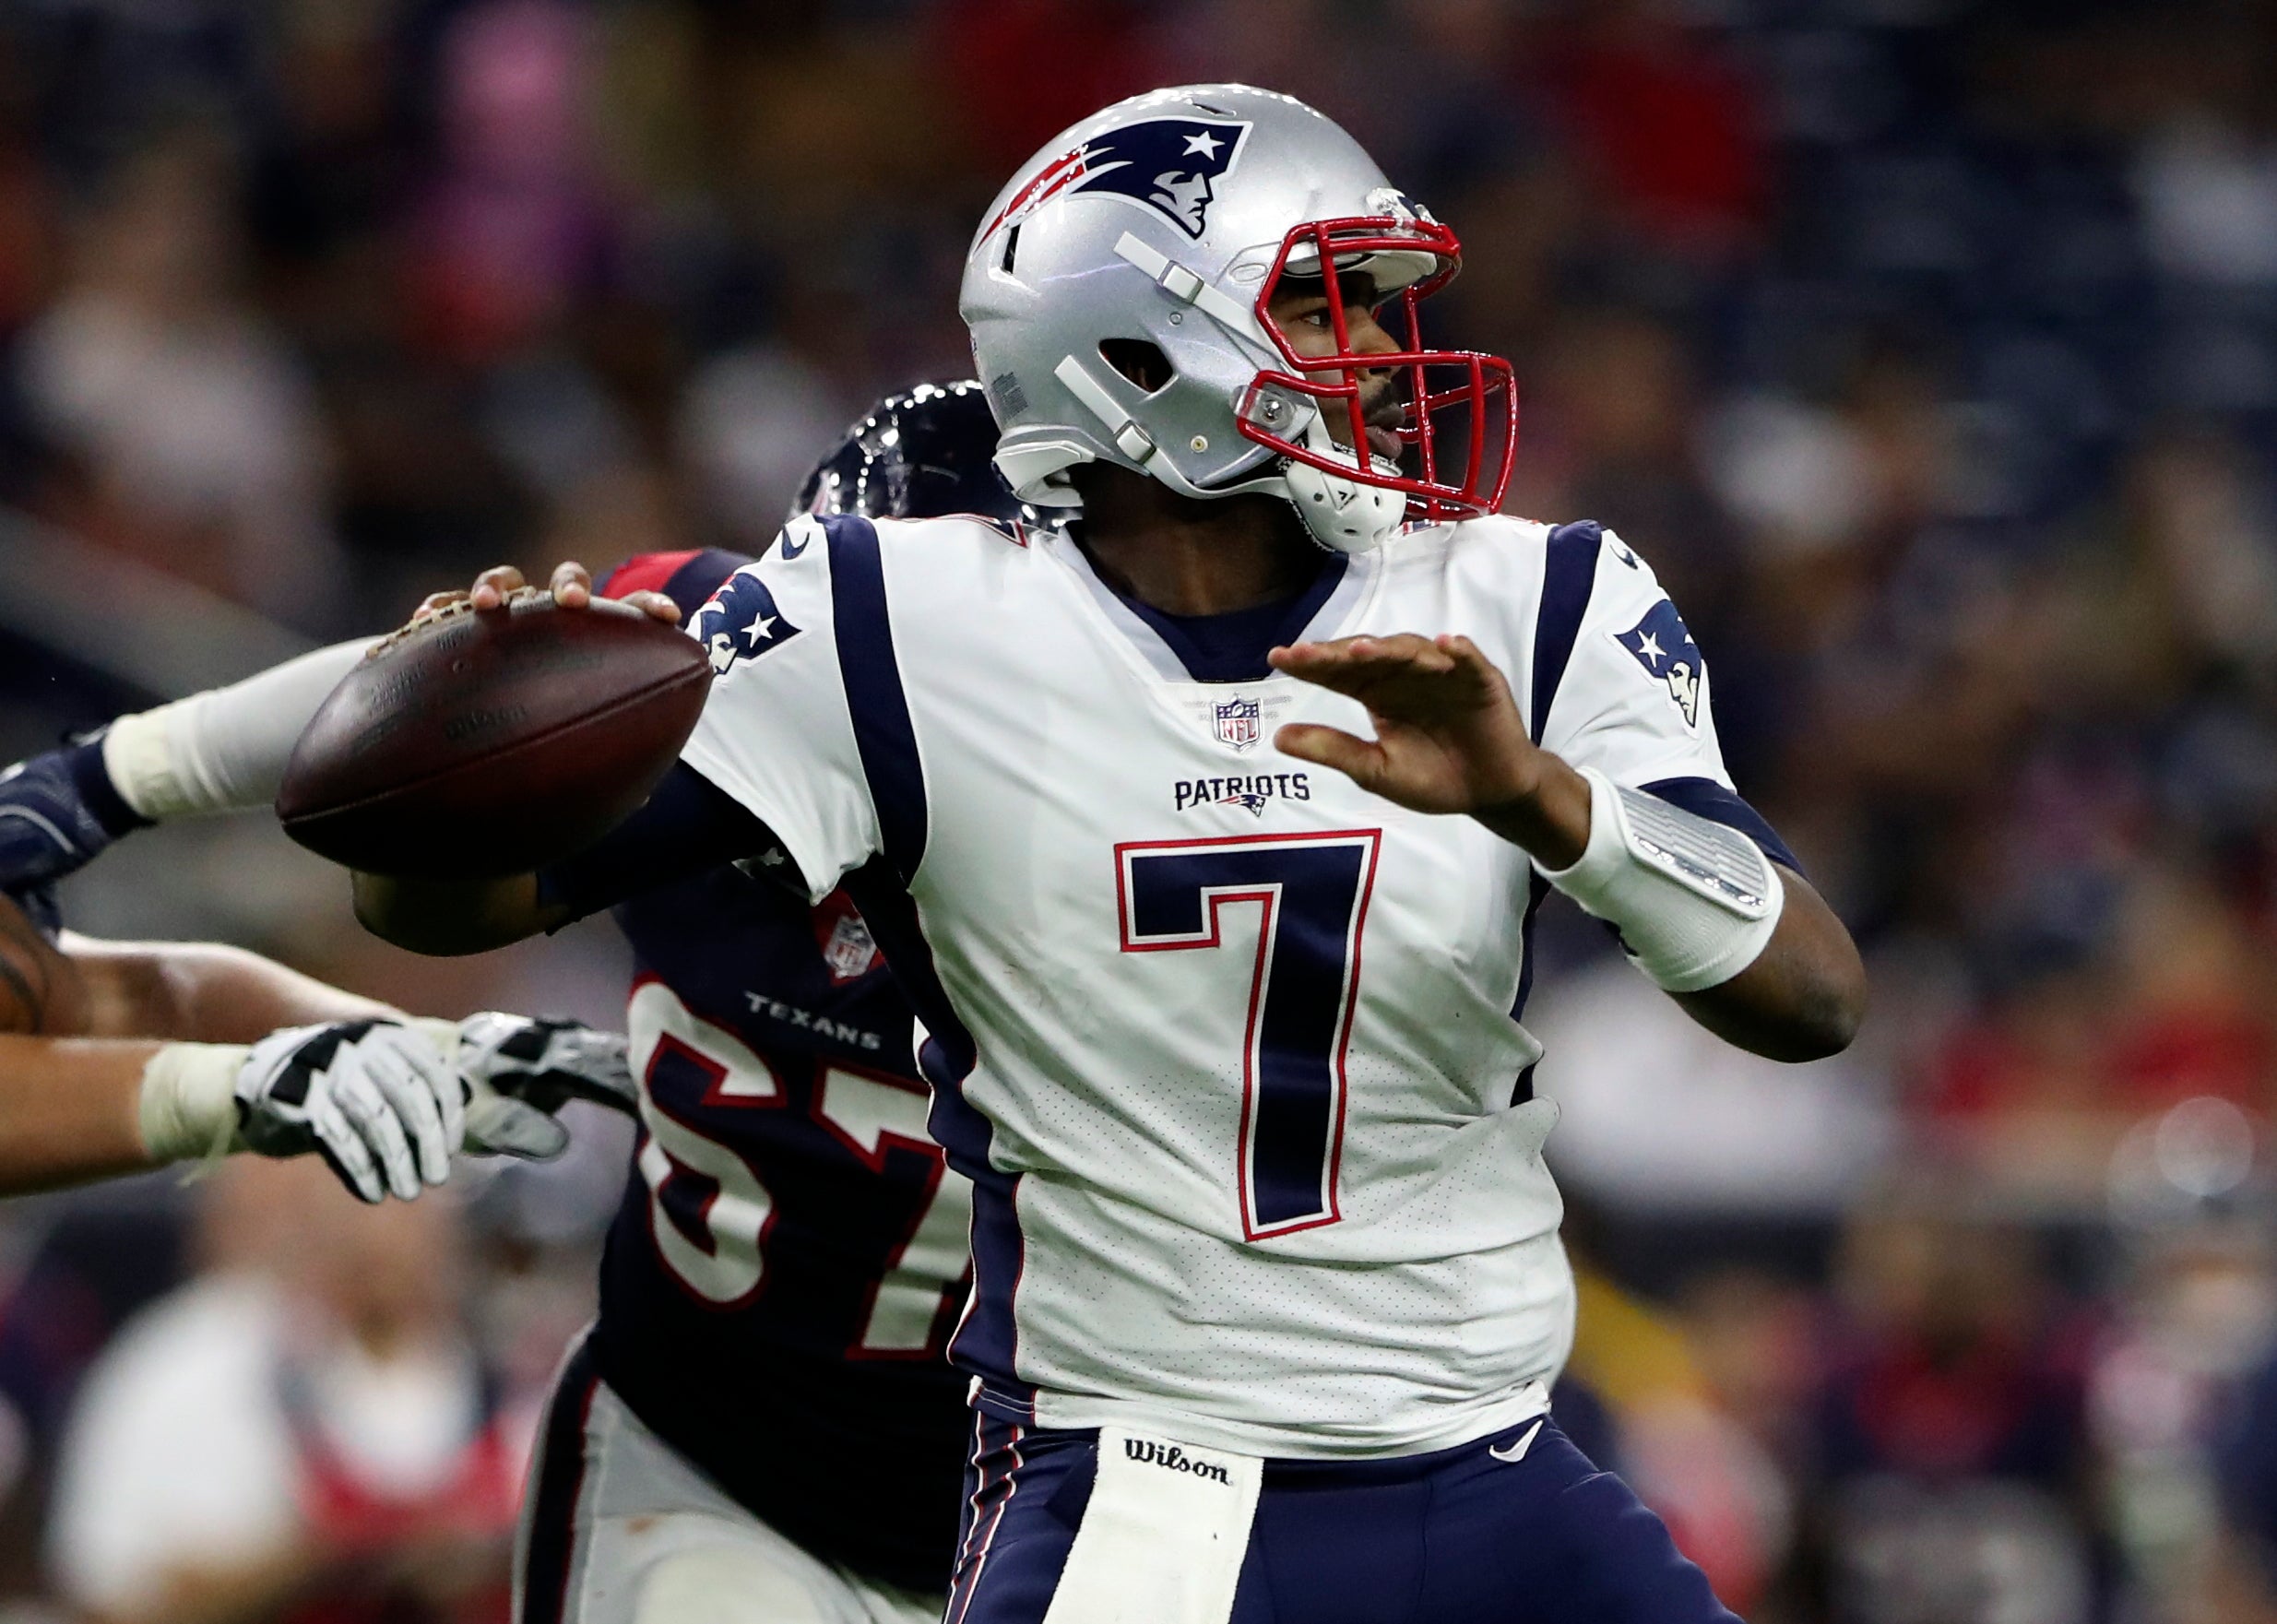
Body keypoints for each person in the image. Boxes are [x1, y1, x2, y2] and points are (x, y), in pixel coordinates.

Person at [357, 85, 1867, 1621]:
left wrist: (1545, 802)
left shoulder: (1535, 596)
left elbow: (1810, 995)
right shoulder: (893, 616)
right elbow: (451, 901)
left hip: (1495, 1465)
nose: (1386, 356)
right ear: (1143, 353)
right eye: (1325, 305)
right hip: (1152, 1489)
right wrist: (448, 754)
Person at [0, 383, 1059, 1624]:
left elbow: (131, 995)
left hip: (1050, 1480)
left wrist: (351, 1053)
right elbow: (420, 722)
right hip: (727, 1461)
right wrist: (108, 783)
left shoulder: (1149, 833)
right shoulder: (713, 663)